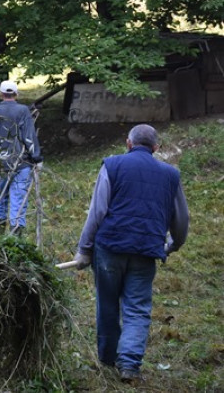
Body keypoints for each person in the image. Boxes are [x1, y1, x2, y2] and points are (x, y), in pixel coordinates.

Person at [72, 124, 189, 383]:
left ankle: (107, 358)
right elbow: (181, 220)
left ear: (128, 143)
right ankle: (130, 365)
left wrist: (84, 249)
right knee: (137, 309)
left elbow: (97, 211)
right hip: (146, 251)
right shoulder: (171, 175)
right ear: (156, 148)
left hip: (110, 248)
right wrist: (172, 245)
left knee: (107, 303)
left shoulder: (112, 166)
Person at [0, 80, 42, 234]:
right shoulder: (23, 111)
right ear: (16, 94)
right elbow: (29, 137)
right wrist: (37, 158)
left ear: (0, 94)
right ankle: (15, 240)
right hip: (21, 163)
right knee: (18, 202)